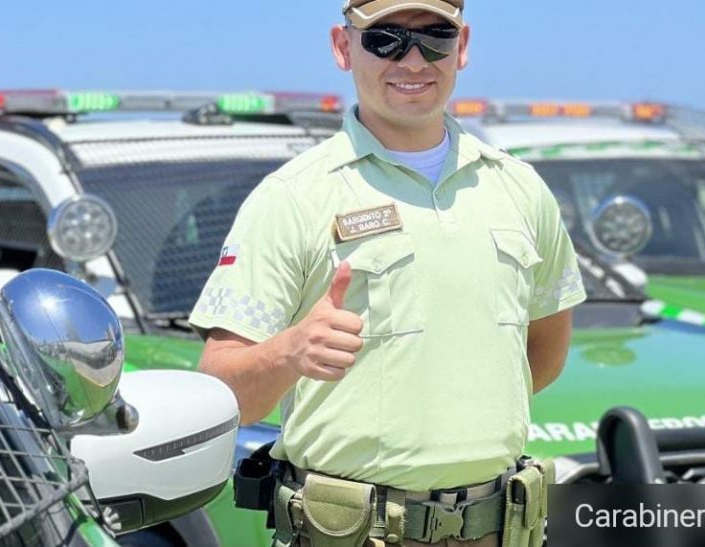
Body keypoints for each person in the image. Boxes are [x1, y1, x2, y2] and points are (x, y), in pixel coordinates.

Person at [189, 1, 586, 544]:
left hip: (500, 530)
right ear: (341, 46)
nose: (414, 59)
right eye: (386, 39)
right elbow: (221, 393)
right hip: (355, 534)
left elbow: (544, 354)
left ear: (462, 47)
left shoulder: (520, 190)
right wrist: (292, 351)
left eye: (435, 37)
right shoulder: (293, 198)